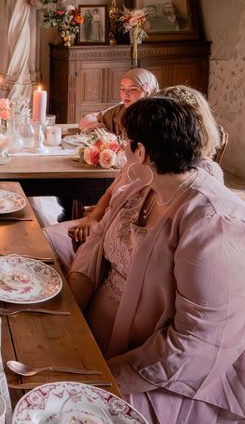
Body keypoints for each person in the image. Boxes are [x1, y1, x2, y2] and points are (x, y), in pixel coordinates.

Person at [67, 96, 245, 423]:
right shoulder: (142, 186)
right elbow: (97, 239)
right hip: (91, 339)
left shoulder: (212, 223)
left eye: (124, 141)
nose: (120, 148)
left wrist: (105, 376)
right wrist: (69, 311)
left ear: (142, 152)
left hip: (158, 378)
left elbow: (195, 345)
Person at [45, 84, 223, 271]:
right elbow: (114, 193)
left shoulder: (181, 178)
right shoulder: (146, 164)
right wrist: (95, 217)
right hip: (110, 231)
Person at [79, 68, 159, 135]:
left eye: (133, 89)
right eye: (122, 89)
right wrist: (101, 129)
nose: (125, 94)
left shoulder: (159, 115)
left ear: (148, 91)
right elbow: (87, 119)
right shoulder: (121, 109)